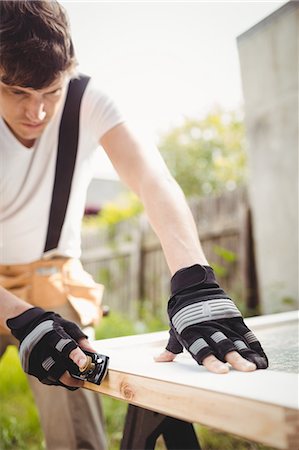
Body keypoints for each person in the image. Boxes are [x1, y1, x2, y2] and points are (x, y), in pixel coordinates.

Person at [0, 1, 268, 449]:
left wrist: (193, 279)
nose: (38, 113)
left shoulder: (88, 100)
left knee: (73, 401)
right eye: (19, 93)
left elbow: (152, 178)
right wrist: (17, 316)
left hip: (50, 274)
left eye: (50, 92)